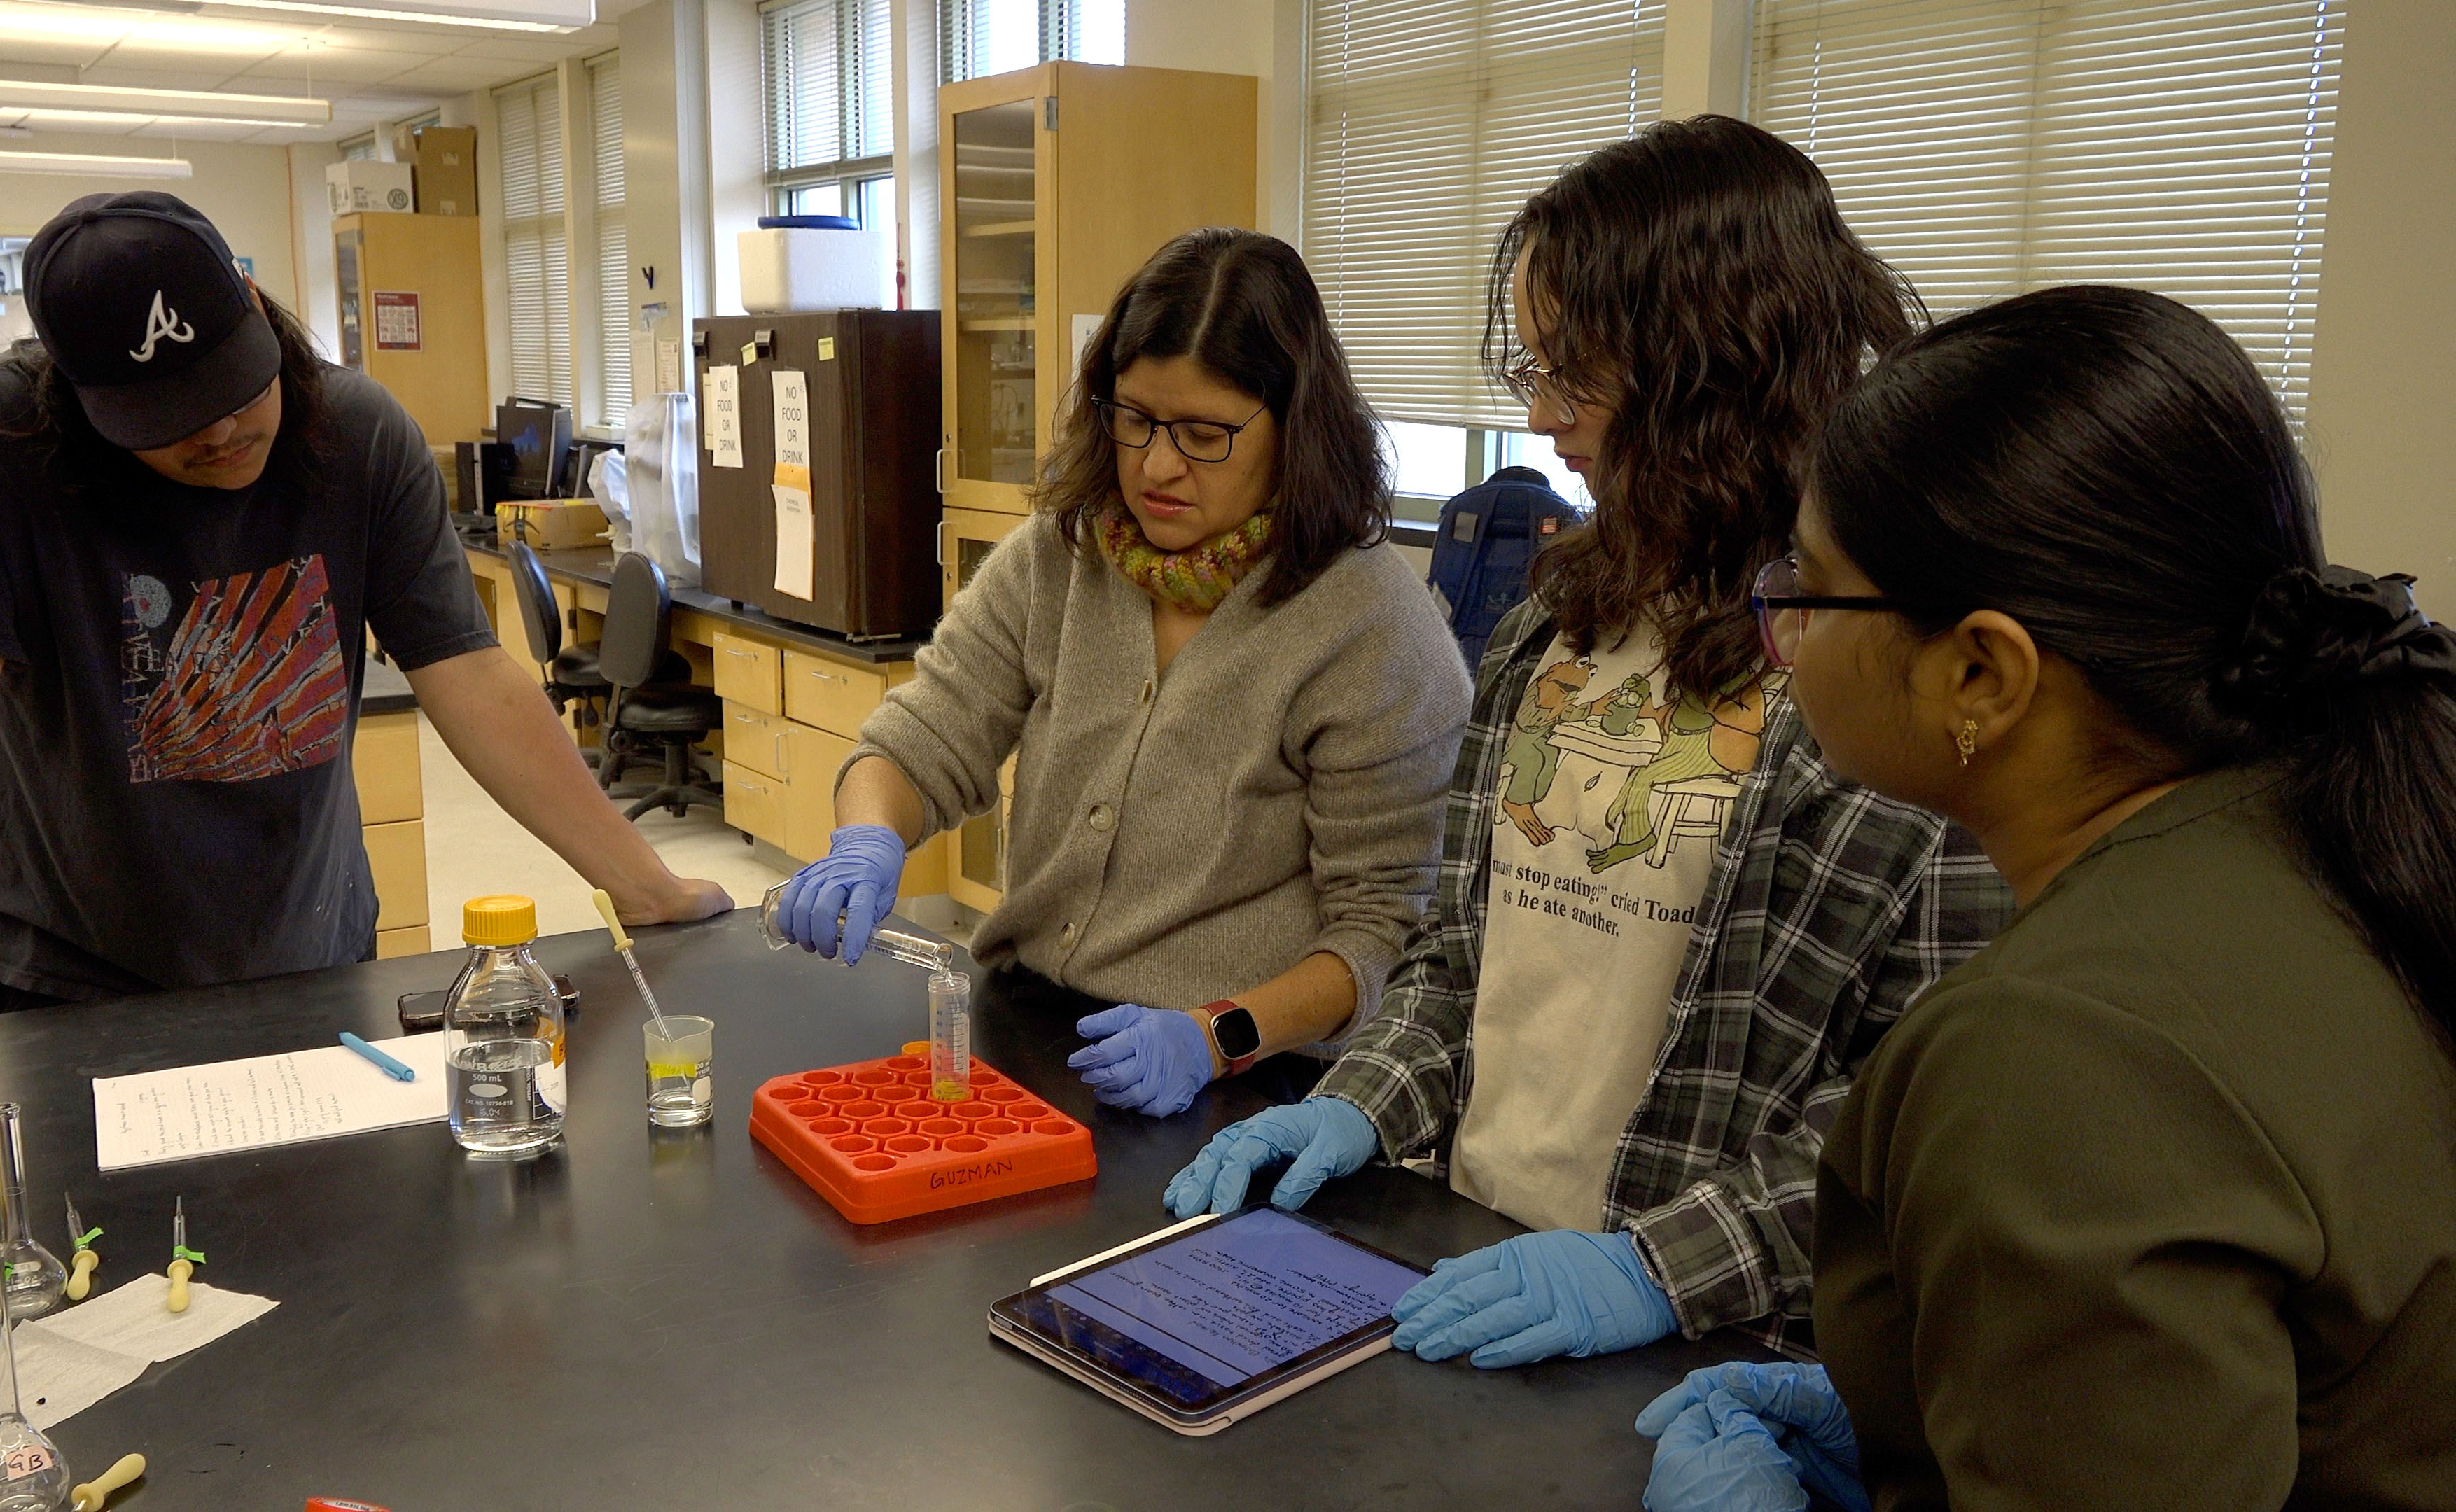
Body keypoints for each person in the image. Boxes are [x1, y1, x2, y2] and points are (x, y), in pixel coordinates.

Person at [1164, 115, 2015, 1364]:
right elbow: (1463, 960)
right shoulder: (1550, 627)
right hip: (1466, 1259)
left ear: (1711, 373)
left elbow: (1923, 1108)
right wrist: (1361, 1101)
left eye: (1578, 376)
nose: (1542, 417)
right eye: (1536, 369)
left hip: (1699, 1334)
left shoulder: (1890, 670)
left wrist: (1657, 1270)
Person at [1639, 286, 2456, 1510]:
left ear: (1982, 673)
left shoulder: (2058, 1050)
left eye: (1813, 581)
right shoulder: (2329, 831)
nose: (1783, 621)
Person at [0, 191, 728, 1016]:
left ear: (257, 312)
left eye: (235, 383)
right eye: (173, 418)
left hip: (313, 945)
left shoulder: (359, 436)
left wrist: (644, 886)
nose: (225, 430)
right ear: (81, 398)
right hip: (74, 972)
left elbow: (473, 677)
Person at [773, 227, 1470, 1116]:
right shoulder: (1063, 555)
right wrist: (867, 837)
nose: (1157, 466)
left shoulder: (1372, 628)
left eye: (1205, 434)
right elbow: (922, 741)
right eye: (1134, 420)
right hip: (1029, 1025)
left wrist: (1215, 1037)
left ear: (1296, 428)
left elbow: (1384, 933)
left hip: (1239, 1072)